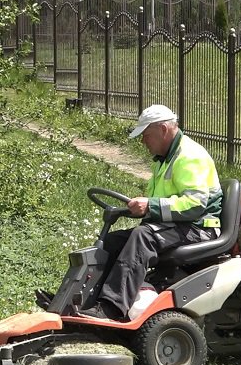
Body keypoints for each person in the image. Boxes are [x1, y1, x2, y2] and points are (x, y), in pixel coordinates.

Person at [78, 104, 223, 321]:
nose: (143, 141)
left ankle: (112, 309)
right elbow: (166, 203)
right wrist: (141, 209)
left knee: (142, 237)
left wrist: (151, 206)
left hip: (200, 227)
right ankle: (84, 300)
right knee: (112, 241)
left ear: (163, 129)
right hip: (180, 225)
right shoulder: (165, 159)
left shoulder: (190, 156)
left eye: (146, 135)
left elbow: (195, 205)